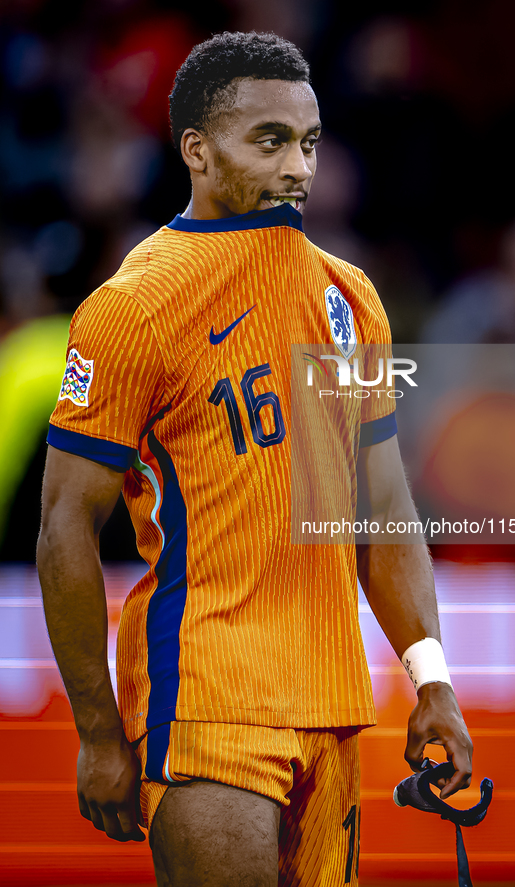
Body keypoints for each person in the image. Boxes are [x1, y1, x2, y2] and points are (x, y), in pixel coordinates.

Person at [37, 31, 472, 887]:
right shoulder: (134, 306)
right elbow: (64, 525)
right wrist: (97, 732)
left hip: (335, 703)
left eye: (309, 142)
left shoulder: (349, 298)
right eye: (269, 141)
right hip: (207, 698)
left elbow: (380, 508)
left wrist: (431, 677)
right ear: (196, 150)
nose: (298, 168)